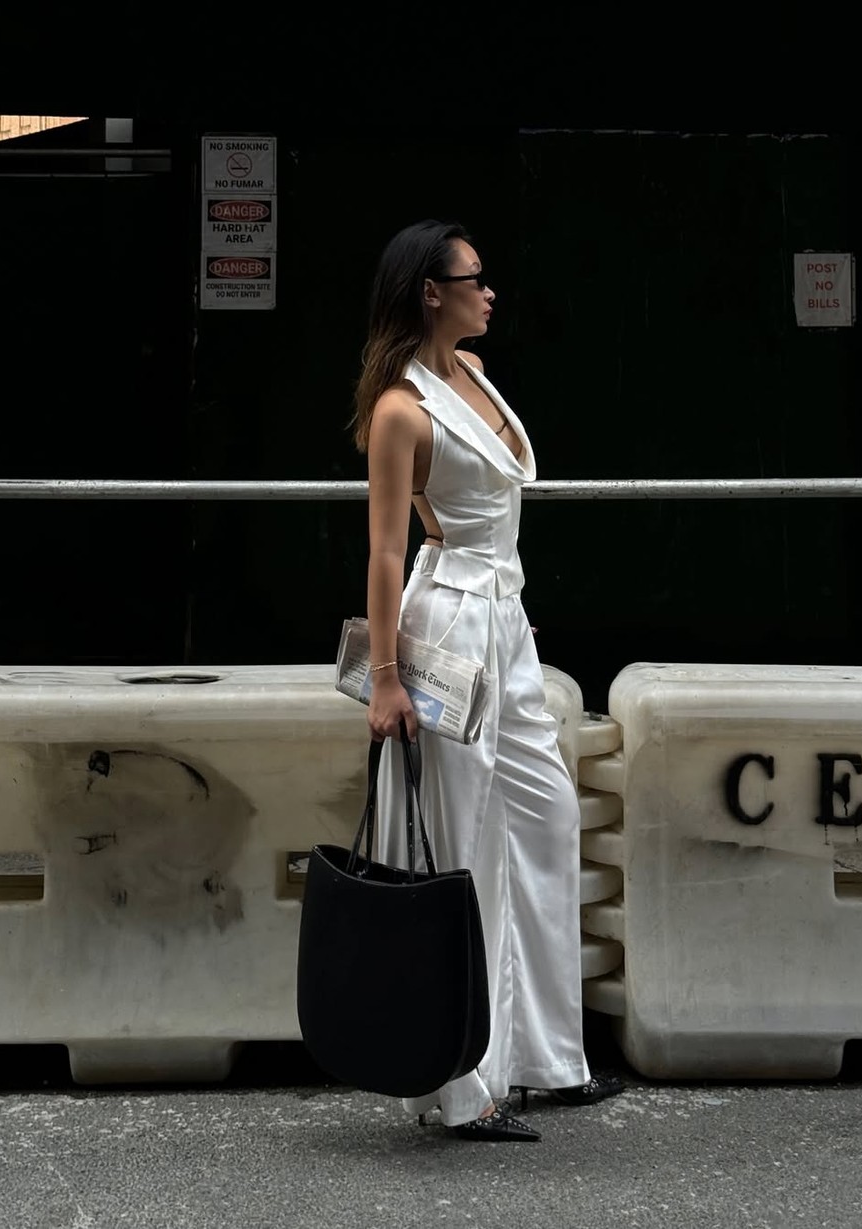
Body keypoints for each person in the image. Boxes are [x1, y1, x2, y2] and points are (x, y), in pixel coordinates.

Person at [350, 220, 622, 1142]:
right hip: (450, 620)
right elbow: (386, 552)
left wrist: (506, 611)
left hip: (503, 619)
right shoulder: (402, 408)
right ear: (432, 291)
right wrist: (386, 679)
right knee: (458, 839)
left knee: (547, 813)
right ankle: (461, 1086)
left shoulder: (471, 373)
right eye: (475, 277)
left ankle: (545, 1056)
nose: (490, 290)